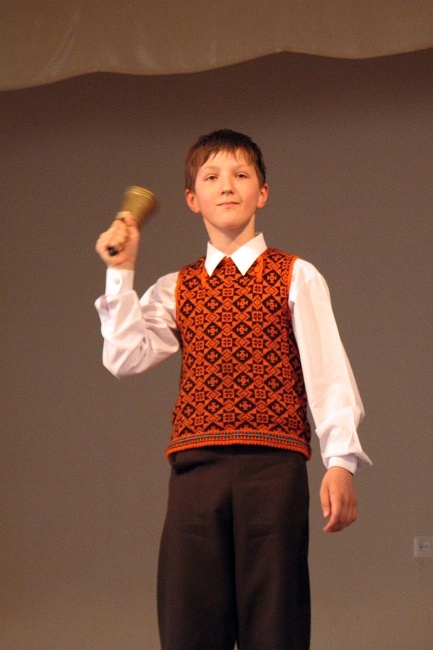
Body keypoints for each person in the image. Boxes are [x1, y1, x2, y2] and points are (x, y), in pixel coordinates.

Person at [95, 129, 371, 650]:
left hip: (273, 468)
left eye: (241, 175)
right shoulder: (178, 286)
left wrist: (341, 461)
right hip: (195, 471)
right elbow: (124, 357)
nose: (227, 186)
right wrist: (121, 271)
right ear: (191, 198)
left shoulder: (295, 275)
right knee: (189, 619)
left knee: (274, 619)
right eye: (212, 177)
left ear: (262, 193)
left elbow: (328, 370)